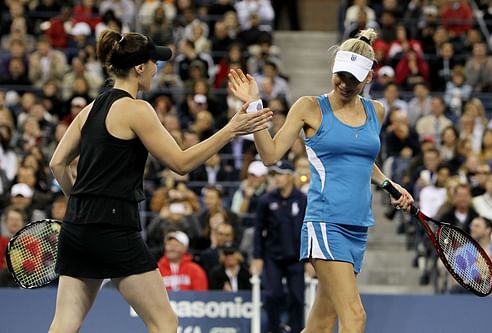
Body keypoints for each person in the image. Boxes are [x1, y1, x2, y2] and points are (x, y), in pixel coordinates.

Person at [48, 30, 272, 333]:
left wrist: (79, 205)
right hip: (115, 227)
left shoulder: (88, 110)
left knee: (64, 324)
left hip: (77, 227)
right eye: (154, 62)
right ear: (140, 67)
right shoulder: (137, 109)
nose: (157, 68)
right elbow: (180, 164)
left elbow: (57, 163)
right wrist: (230, 130)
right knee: (165, 323)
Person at [228, 28, 413, 333]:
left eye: (353, 79)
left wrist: (388, 185)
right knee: (355, 317)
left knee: (321, 324)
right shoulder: (309, 107)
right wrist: (254, 107)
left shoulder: (376, 111)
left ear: (368, 78)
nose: (343, 83)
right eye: (339, 75)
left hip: (358, 226)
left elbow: (361, 162)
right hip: (326, 223)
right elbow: (271, 155)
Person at [251, 160, 308, 333]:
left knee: (297, 297)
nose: (276, 178)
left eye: (280, 174)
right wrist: (257, 257)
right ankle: (274, 329)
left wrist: (310, 258)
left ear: (290, 176)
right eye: (275, 174)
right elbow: (258, 230)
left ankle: (297, 329)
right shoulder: (266, 201)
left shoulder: (303, 199)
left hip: (296, 257)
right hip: (272, 256)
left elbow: (308, 230)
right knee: (272, 295)